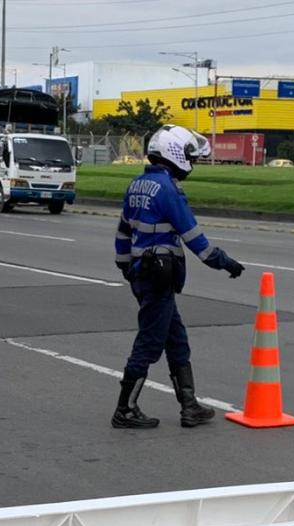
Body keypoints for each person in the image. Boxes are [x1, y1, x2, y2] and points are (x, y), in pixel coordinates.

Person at [113, 125, 245, 429]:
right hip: (159, 276)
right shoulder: (169, 190)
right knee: (149, 342)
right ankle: (125, 409)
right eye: (189, 156)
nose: (192, 162)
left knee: (176, 341)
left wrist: (126, 267)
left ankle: (190, 407)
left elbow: (122, 232)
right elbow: (194, 238)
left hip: (141, 274)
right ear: (174, 154)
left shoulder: (136, 184)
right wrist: (226, 263)